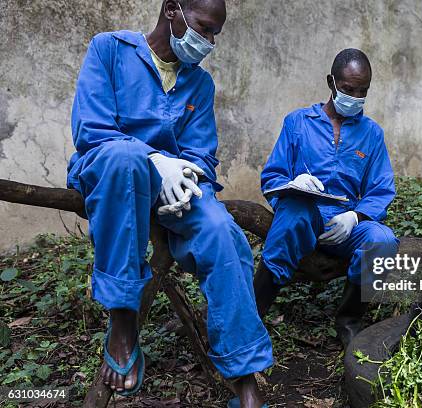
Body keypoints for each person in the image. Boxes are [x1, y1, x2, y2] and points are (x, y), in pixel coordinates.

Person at [66, 1, 272, 406]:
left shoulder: (200, 84)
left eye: (215, 34)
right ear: (172, 10)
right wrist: (154, 160)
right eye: (204, 28)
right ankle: (123, 324)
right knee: (124, 161)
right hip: (111, 170)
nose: (209, 41)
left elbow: (201, 155)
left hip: (176, 188)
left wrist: (188, 176)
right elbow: (92, 128)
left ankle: (246, 381)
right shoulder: (109, 49)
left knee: (222, 233)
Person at [256, 49, 400, 348]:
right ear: (331, 82)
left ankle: (349, 321)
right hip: (304, 214)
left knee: (383, 240)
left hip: (344, 222)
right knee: (294, 213)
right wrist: (292, 183)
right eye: (348, 90)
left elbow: (381, 189)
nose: (356, 97)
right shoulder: (298, 122)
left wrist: (356, 217)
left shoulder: (371, 134)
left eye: (363, 91)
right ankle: (254, 314)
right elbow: (272, 177)